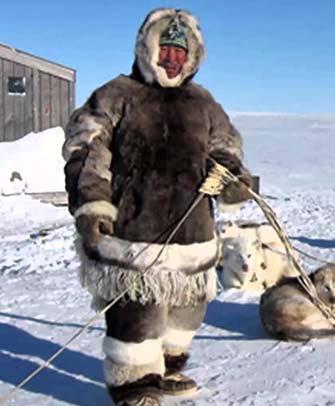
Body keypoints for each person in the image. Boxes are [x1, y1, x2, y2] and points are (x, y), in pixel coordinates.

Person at [62, 8, 252, 406]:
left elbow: (224, 149)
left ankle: (166, 369)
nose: (172, 59)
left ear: (193, 58)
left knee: (186, 313)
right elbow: (85, 148)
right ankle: (134, 386)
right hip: (134, 233)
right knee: (137, 313)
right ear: (146, 50)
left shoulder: (203, 102)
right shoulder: (115, 95)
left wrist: (233, 179)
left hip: (193, 232)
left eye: (180, 53)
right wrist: (93, 204)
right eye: (165, 50)